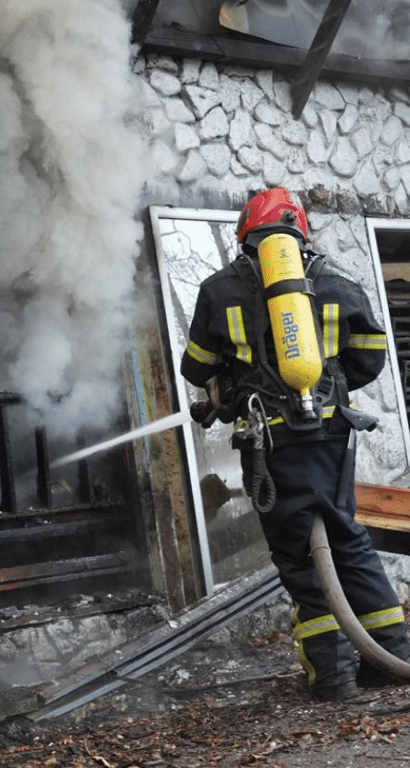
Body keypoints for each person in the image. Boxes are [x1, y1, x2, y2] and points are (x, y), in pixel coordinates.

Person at [181, 186, 410, 702]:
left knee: (300, 557)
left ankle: (332, 677)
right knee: (348, 541)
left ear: (246, 236)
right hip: (331, 434)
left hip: (270, 442)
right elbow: (371, 354)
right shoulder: (337, 284)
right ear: (300, 235)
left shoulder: (219, 290)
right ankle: (391, 656)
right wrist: (331, 384)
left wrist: (235, 386)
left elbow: (195, 366)